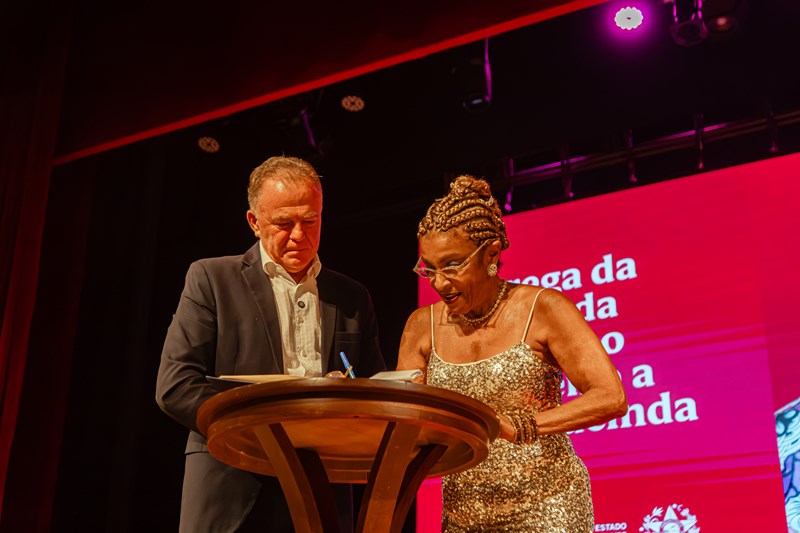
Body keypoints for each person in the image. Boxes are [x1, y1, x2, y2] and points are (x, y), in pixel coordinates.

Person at [156, 155, 386, 533]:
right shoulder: (211, 278)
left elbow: (373, 392)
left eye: (310, 220)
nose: (299, 235)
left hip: (321, 492)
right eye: (283, 223)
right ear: (254, 222)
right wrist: (255, 433)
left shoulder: (353, 296)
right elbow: (176, 385)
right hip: (233, 483)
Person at [397, 175, 628, 532]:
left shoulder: (544, 308)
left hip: (548, 505)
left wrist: (517, 426)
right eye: (429, 268)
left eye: (452, 266)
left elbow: (610, 397)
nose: (439, 282)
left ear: (491, 253)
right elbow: (406, 421)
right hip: (464, 513)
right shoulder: (420, 326)